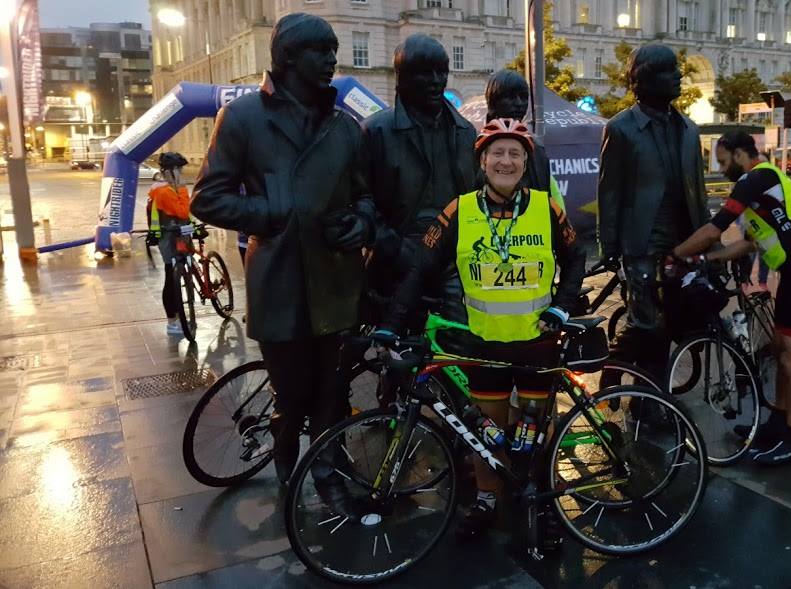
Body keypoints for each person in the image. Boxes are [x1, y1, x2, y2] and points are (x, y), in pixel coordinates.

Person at [190, 13, 374, 516]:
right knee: (291, 399)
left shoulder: (345, 126)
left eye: (334, 49)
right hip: (280, 282)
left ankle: (330, 473)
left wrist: (361, 223)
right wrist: (268, 213)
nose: (332, 59)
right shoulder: (245, 117)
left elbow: (365, 197)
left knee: (333, 395)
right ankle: (289, 471)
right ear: (289, 56)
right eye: (321, 49)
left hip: (337, 282)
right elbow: (207, 199)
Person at [378, 119, 585, 537]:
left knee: (536, 431)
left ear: (525, 162)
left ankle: (543, 498)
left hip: (537, 344)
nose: (505, 161)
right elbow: (420, 271)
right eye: (497, 153)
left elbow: (577, 256)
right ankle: (488, 500)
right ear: (483, 160)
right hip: (484, 343)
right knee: (485, 432)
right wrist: (392, 325)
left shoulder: (546, 207)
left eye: (514, 154)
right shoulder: (460, 210)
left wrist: (563, 306)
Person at [671, 131, 791, 466]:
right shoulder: (759, 187)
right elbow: (745, 243)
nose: (720, 166)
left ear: (739, 152)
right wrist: (705, 260)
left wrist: (674, 254)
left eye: (723, 159)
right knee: (779, 350)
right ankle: (777, 423)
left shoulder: (756, 178)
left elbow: (715, 229)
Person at [598, 44, 710, 384]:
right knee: (648, 324)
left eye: (676, 69)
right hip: (642, 241)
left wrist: (708, 239)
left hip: (684, 241)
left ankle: (650, 399)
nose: (678, 76)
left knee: (672, 323)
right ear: (644, 79)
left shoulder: (689, 129)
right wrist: (609, 248)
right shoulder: (621, 129)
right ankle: (615, 365)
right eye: (668, 71)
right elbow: (609, 192)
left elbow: (699, 190)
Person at [361, 34, 477, 312]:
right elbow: (358, 200)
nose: (437, 80)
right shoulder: (375, 131)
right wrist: (392, 246)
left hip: (456, 263)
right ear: (401, 77)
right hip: (395, 266)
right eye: (426, 73)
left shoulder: (466, 132)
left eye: (442, 71)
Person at [483, 69, 565, 210]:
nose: (519, 103)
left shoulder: (537, 148)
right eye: (511, 97)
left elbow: (553, 197)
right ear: (493, 100)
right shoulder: (473, 146)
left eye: (523, 97)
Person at [149, 151, 191, 337]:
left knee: (180, 274)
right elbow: (182, 211)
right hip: (170, 239)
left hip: (180, 235)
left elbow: (187, 216)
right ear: (172, 171)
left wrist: (195, 227)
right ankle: (172, 322)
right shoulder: (164, 190)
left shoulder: (167, 188)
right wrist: (182, 189)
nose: (182, 173)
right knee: (171, 278)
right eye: (180, 169)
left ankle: (178, 317)